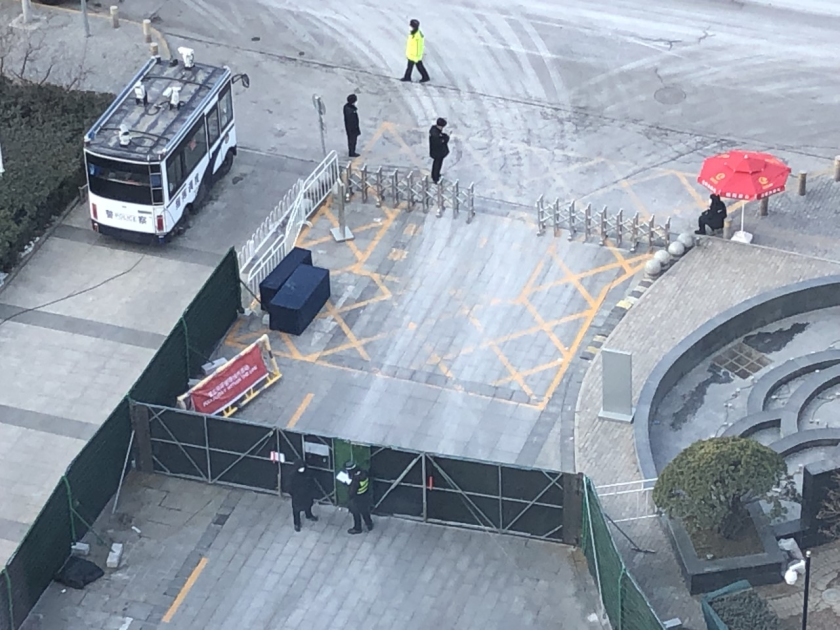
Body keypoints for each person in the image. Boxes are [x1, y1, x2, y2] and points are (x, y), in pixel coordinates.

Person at [289, 460, 319, 532]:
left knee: (308, 505)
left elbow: (311, 482)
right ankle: (297, 524)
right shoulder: (293, 476)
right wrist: (294, 494)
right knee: (296, 510)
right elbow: (289, 487)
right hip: (297, 496)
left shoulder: (308, 473)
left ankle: (309, 515)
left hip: (307, 494)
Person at [345, 461, 373, 534]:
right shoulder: (364, 473)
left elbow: (351, 493)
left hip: (357, 498)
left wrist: (348, 485)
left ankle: (357, 528)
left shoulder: (355, 481)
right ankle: (369, 524)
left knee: (356, 513)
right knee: (365, 511)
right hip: (365, 495)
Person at [401, 19, 430, 83]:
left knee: (418, 66)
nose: (410, 27)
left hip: (415, 55)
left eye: (411, 26)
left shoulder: (417, 35)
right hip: (412, 54)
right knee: (412, 66)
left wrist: (416, 55)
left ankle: (425, 77)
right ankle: (408, 77)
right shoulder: (413, 33)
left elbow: (419, 46)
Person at [428, 118, 450, 184]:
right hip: (437, 152)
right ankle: (435, 177)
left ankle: (436, 174)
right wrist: (445, 139)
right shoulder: (435, 134)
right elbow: (440, 141)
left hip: (438, 152)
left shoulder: (435, 131)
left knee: (437, 164)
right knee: (437, 164)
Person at [343, 94, 361, 158]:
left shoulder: (347, 107)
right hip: (352, 129)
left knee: (351, 140)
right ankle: (352, 152)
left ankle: (352, 151)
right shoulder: (350, 111)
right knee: (352, 140)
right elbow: (353, 121)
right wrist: (356, 129)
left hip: (350, 128)